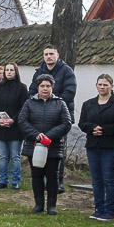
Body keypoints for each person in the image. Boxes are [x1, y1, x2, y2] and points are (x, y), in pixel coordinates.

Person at [18, 73, 73, 214]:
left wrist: (49, 136)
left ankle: (52, 206)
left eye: (48, 86)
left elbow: (66, 123)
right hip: (34, 145)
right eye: (42, 86)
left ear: (52, 88)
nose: (45, 88)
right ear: (38, 87)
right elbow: (22, 121)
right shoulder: (29, 103)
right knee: (36, 175)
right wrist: (36, 134)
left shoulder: (60, 103)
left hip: (53, 146)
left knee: (52, 176)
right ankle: (39, 204)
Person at [29, 45, 78, 192]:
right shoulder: (39, 72)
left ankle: (59, 180)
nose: (48, 57)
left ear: (57, 55)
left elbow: (70, 92)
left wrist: (54, 105)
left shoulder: (66, 71)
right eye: (46, 54)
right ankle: (41, 179)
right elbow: (31, 91)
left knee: (58, 150)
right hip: (39, 116)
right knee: (39, 146)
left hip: (60, 116)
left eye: (51, 54)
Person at [79, 74, 114, 221]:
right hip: (93, 145)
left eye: (105, 85)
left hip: (110, 146)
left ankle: (110, 211)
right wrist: (92, 128)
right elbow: (82, 123)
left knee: (109, 179)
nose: (102, 87)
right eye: (100, 84)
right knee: (96, 180)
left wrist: (105, 130)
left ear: (112, 86)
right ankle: (98, 208)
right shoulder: (88, 104)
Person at [0, 62, 27, 190]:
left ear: (16, 72)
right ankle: (2, 180)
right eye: (7, 70)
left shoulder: (22, 88)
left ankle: (15, 180)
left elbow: (23, 107)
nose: (9, 72)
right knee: (2, 156)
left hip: (15, 127)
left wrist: (13, 120)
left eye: (12, 70)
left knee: (15, 156)